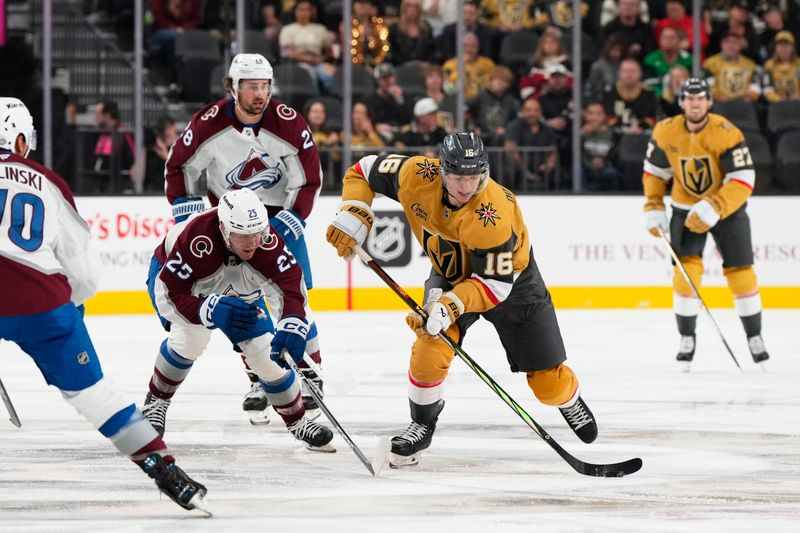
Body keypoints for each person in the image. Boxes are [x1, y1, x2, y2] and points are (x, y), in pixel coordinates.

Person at [325, 132, 599, 467]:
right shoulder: (416, 174)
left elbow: (495, 286)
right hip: (449, 274)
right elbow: (364, 169)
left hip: (513, 284)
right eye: (458, 177)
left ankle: (568, 397)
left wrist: (449, 306)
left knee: (548, 385)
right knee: (430, 346)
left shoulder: (492, 213)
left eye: (474, 177)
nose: (467, 187)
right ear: (441, 171)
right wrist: (355, 210)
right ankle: (421, 425)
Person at [0, 97, 208, 513]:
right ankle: (161, 466)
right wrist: (73, 309)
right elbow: (84, 272)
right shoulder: (45, 181)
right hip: (41, 304)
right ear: (20, 139)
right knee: (93, 392)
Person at [161, 52, 325, 425]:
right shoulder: (208, 123)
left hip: (277, 220)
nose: (259, 94)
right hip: (230, 224)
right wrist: (189, 215)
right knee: (241, 299)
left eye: (264, 86)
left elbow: (308, 176)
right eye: (251, 86)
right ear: (232, 87)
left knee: (292, 293)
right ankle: (258, 377)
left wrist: (292, 218)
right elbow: (180, 167)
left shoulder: (288, 123)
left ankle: (311, 371)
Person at [141, 188, 335, 452]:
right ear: (223, 228)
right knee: (190, 338)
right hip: (190, 285)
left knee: (266, 353)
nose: (253, 242)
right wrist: (206, 310)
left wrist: (292, 323)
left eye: (258, 233)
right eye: (243, 235)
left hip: (240, 286)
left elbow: (290, 286)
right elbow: (168, 292)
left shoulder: (267, 241)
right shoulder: (196, 238)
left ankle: (298, 420)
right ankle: (157, 402)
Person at [642, 78, 769, 365]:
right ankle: (687, 337)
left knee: (741, 274)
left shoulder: (726, 131)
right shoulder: (665, 131)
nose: (695, 103)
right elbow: (654, 172)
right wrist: (653, 204)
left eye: (700, 98)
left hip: (727, 210)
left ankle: (754, 336)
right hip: (684, 208)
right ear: (681, 102)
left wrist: (716, 205)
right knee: (686, 276)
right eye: (689, 98)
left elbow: (743, 177)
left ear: (709, 101)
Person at [702, 30, 760, 102]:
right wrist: (723, 100)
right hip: (717, 104)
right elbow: (707, 87)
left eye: (735, 42)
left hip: (743, 104)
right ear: (721, 44)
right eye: (727, 42)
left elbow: (755, 88)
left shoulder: (750, 64)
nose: (731, 46)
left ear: (741, 45)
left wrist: (745, 99)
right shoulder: (711, 63)